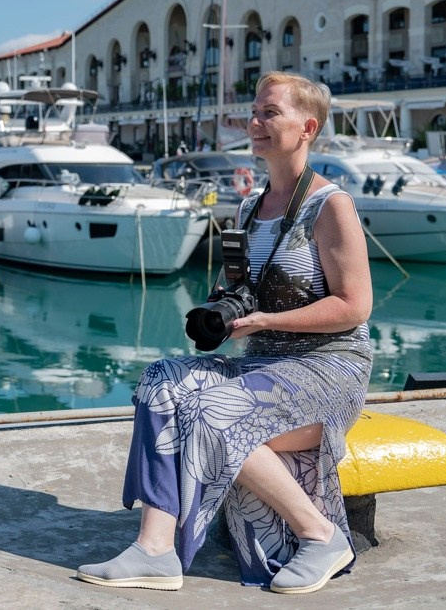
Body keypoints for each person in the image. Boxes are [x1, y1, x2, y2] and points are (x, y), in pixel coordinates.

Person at [77, 71, 373, 594]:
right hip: (262, 364)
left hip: (329, 370)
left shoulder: (331, 205)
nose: (254, 122)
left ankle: (320, 534)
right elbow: (238, 292)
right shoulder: (249, 208)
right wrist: (220, 313)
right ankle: (155, 551)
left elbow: (354, 307)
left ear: (307, 127)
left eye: (269, 113)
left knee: (211, 412)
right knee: (163, 381)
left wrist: (268, 320)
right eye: (254, 112)